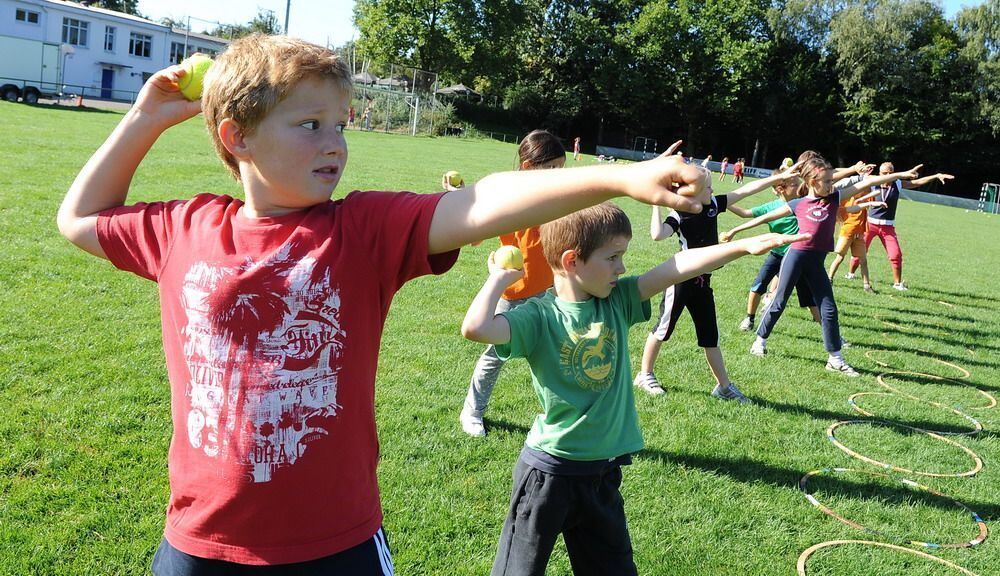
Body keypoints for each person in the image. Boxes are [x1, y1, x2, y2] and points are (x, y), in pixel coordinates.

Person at [55, 34, 706, 574]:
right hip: (203, 544)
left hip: (337, 543)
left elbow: (477, 204)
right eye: (310, 124)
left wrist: (620, 177)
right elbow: (79, 218)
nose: (335, 143)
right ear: (238, 137)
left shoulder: (362, 230)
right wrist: (144, 118)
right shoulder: (183, 229)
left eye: (340, 125)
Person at [461, 202, 804, 576]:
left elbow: (679, 266)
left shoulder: (617, 301)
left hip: (603, 474)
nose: (622, 268)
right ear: (572, 261)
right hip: (549, 474)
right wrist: (498, 279)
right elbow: (477, 328)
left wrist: (742, 246)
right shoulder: (538, 317)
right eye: (613, 258)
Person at [721, 155, 921, 375]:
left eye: (830, 181)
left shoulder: (834, 198)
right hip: (795, 257)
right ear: (812, 183)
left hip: (817, 262)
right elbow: (761, 219)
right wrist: (733, 231)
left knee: (829, 309)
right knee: (779, 301)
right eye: (826, 182)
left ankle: (835, 358)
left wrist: (900, 175)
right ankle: (759, 341)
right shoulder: (798, 204)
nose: (830, 185)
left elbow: (867, 182)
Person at [633, 160, 799, 401]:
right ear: (692, 191)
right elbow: (658, 235)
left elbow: (744, 191)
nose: (712, 191)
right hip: (681, 279)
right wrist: (658, 204)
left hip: (702, 282)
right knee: (663, 329)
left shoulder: (712, 205)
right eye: (707, 187)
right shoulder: (679, 214)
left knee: (710, 335)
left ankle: (723, 387)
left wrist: (777, 179)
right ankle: (644, 374)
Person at [459, 130, 566, 437]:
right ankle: (472, 411)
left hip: (550, 294)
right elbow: (476, 236)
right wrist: (463, 202)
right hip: (515, 293)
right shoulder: (507, 198)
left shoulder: (557, 198)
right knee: (494, 356)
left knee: (557, 357)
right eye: (551, 168)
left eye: (561, 168)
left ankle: (560, 416)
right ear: (529, 166)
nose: (558, 175)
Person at [727, 166, 821, 331]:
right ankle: (749, 319)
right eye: (794, 183)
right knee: (758, 286)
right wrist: (721, 202)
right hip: (777, 254)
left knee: (808, 295)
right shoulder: (771, 207)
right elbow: (744, 213)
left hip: (797, 257)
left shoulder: (804, 202)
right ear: (780, 188)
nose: (800, 185)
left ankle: (826, 327)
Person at [846, 163, 953, 291]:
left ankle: (897, 284)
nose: (888, 176)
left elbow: (917, 182)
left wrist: (936, 176)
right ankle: (850, 274)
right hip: (870, 224)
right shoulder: (874, 183)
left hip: (888, 227)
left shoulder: (897, 183)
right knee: (859, 252)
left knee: (896, 255)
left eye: (890, 173)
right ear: (880, 174)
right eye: (884, 173)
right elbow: (857, 182)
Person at [827, 185, 885, 292]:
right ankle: (829, 279)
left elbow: (877, 192)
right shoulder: (846, 200)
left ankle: (867, 285)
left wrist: (863, 198)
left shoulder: (865, 198)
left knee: (863, 261)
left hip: (860, 234)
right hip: (847, 232)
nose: (862, 191)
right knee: (840, 257)